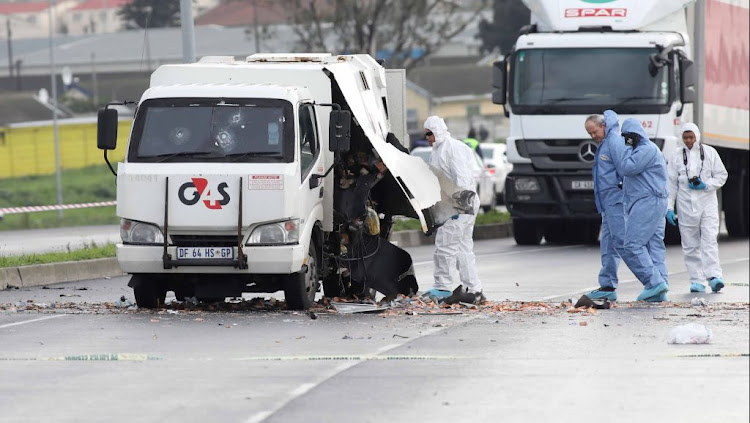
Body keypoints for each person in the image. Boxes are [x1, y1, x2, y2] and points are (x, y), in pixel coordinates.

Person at [421, 116, 484, 304]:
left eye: (430, 133)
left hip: (459, 204)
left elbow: (463, 178)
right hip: (460, 204)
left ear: (438, 131)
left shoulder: (451, 148)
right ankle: (474, 289)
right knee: (463, 248)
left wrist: (459, 205)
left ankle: (443, 287)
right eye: (425, 134)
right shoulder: (439, 150)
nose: (427, 137)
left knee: (445, 246)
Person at [667, 123, 728, 293]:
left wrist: (706, 185)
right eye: (685, 137)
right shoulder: (677, 156)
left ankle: (714, 276)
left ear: (697, 136)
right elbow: (670, 183)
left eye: (691, 137)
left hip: (707, 202)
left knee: (709, 240)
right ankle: (697, 280)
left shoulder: (709, 153)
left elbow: (722, 175)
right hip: (685, 205)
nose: (688, 141)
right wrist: (669, 207)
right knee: (689, 244)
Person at [616, 118, 670, 302]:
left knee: (632, 244)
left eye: (630, 136)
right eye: (624, 137)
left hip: (647, 201)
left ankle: (654, 283)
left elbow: (627, 168)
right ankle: (660, 288)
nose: (627, 139)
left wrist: (625, 149)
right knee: (654, 245)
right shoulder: (642, 149)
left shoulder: (645, 150)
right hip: (651, 201)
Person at [583, 111, 625, 301]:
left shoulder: (614, 142)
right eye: (589, 134)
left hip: (617, 202)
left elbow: (625, 170)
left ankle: (654, 282)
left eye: (594, 132)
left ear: (604, 126)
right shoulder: (603, 144)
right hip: (607, 205)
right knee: (608, 245)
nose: (593, 137)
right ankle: (607, 285)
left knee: (625, 245)